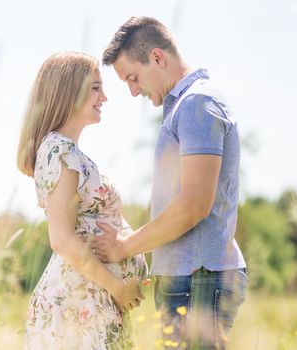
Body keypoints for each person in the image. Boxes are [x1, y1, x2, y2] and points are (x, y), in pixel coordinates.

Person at [92, 17, 248, 349]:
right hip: (190, 278)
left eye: (133, 78)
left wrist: (124, 246)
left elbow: (194, 204)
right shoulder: (183, 106)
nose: (133, 91)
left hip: (200, 278)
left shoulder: (196, 104)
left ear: (158, 58)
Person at [17, 52, 147, 350]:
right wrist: (118, 288)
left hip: (90, 296)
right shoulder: (60, 150)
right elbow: (61, 238)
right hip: (79, 300)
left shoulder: (68, 152)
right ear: (68, 91)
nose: (105, 97)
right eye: (95, 88)